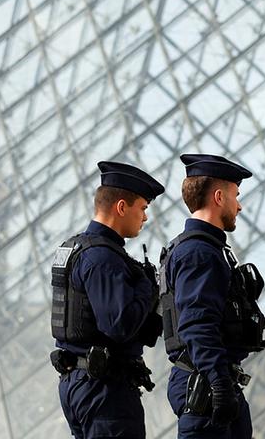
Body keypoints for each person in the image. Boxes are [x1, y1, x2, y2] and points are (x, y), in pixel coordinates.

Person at [51, 161, 166, 439]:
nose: (145, 217)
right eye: (143, 208)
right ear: (122, 207)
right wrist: (147, 287)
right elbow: (119, 325)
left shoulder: (74, 247)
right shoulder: (104, 258)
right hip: (105, 389)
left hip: (79, 381)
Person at [160, 154, 265, 439]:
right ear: (219, 197)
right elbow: (198, 325)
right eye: (236, 195)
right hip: (206, 385)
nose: (240, 205)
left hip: (210, 380)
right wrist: (219, 383)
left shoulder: (202, 249)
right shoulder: (199, 253)